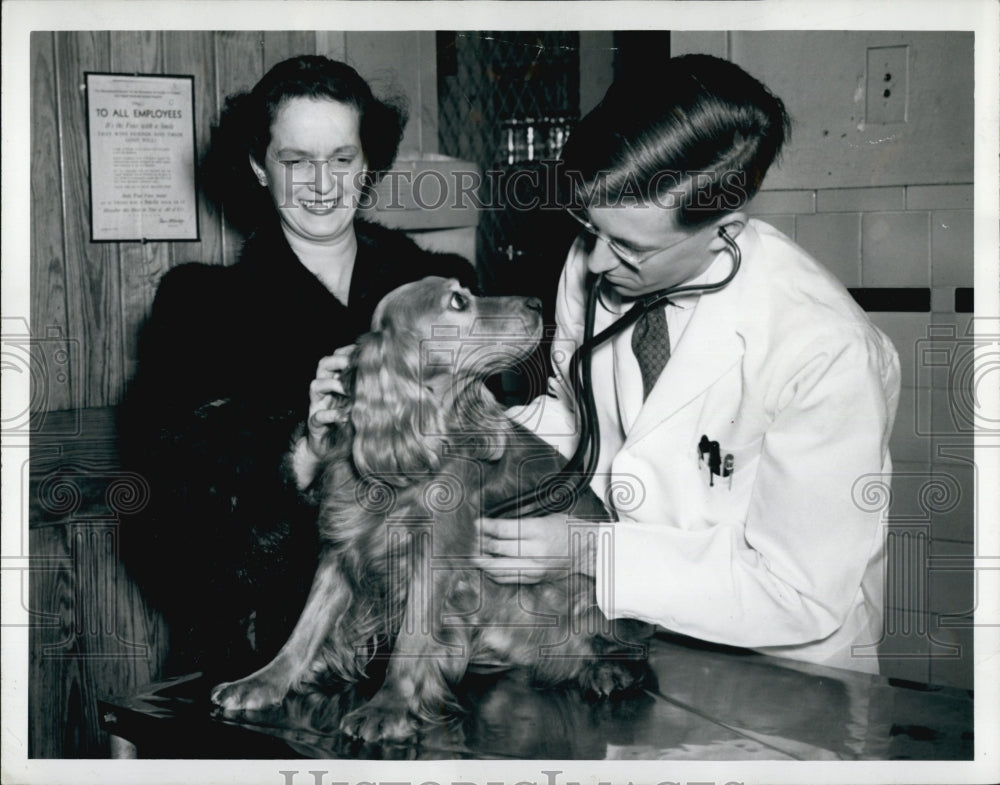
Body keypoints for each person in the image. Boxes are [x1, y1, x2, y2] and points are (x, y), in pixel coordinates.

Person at [474, 54, 901, 674]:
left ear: (724, 227)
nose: (594, 263)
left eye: (628, 246)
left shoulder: (824, 349)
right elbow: (575, 419)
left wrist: (592, 551)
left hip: (778, 671)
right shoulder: (596, 263)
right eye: (589, 226)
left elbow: (801, 592)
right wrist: (467, 426)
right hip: (627, 633)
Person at [119, 55, 476, 675]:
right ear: (259, 166)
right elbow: (167, 543)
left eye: (342, 159)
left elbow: (481, 466)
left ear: (369, 164)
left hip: (420, 648)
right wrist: (303, 453)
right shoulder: (200, 310)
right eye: (295, 161)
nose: (322, 184)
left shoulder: (438, 290)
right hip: (263, 649)